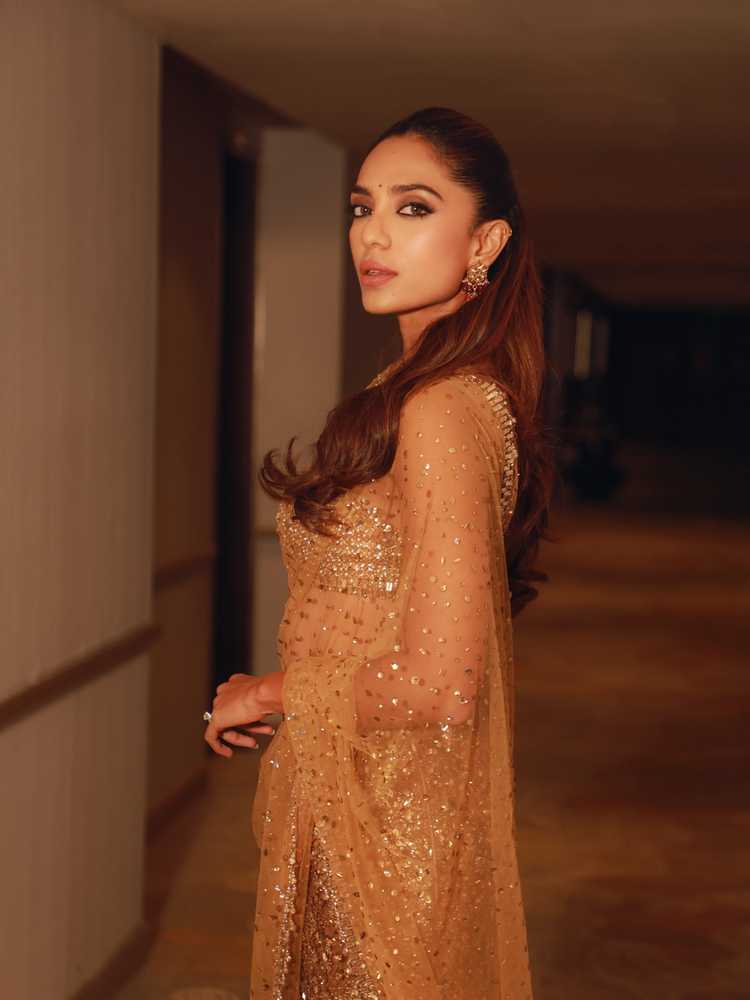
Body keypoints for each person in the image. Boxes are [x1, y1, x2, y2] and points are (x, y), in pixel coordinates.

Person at [203, 106, 555, 999]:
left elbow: (442, 682)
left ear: (486, 242)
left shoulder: (442, 409)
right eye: (363, 207)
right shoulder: (422, 393)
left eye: (413, 207)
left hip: (389, 835)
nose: (372, 234)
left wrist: (267, 691)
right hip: (358, 797)